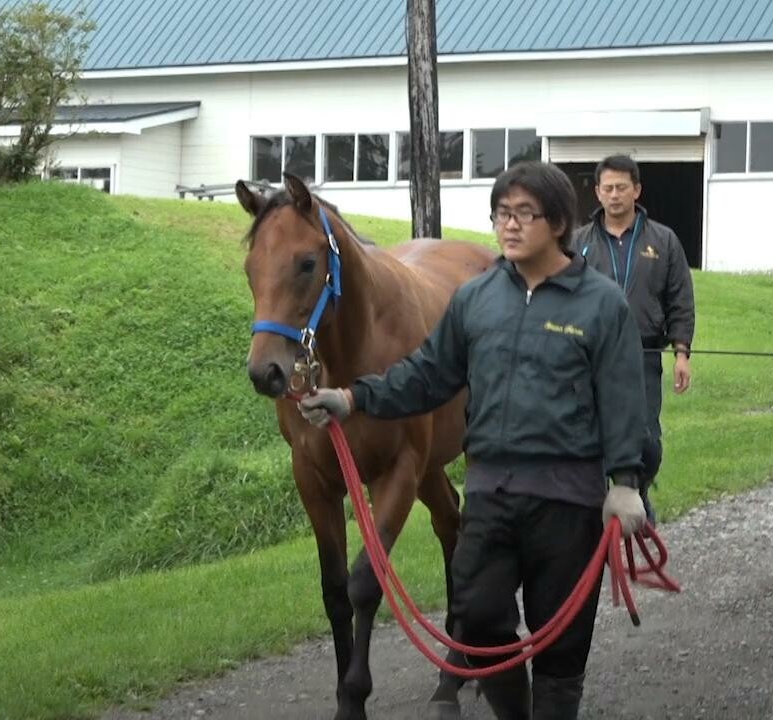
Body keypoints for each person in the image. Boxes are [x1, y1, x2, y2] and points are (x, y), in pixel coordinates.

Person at [298, 161, 648, 719]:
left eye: (523, 214)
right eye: (501, 214)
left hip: (567, 498)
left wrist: (627, 482)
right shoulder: (477, 300)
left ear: (557, 223)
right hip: (490, 494)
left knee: (560, 646)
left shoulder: (601, 305)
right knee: (480, 619)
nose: (508, 226)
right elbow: (428, 375)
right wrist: (354, 398)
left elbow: (626, 402)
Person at [571, 154, 696, 526]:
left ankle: (637, 490)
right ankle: (595, 504)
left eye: (621, 187)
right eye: (607, 188)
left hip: (643, 352)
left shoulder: (664, 240)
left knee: (646, 439)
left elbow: (680, 300)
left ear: (636, 190)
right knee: (588, 433)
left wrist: (682, 353)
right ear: (597, 192)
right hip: (589, 355)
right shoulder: (579, 242)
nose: (614, 195)